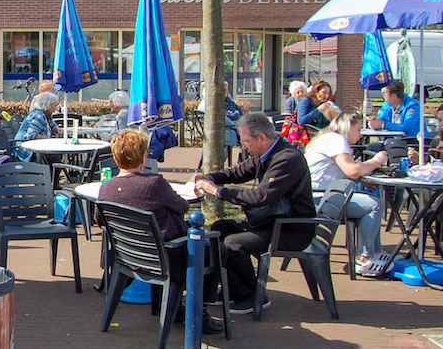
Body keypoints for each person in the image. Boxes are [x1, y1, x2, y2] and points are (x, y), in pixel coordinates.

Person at [96, 130, 223, 334]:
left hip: (128, 257)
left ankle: (180, 308)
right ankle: (199, 312)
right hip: (167, 258)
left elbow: (100, 219)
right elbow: (182, 207)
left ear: (115, 157)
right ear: (144, 156)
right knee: (214, 249)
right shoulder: (154, 184)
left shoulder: (106, 188)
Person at [194, 112, 316, 315]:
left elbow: (261, 197)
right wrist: (209, 177)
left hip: (291, 228)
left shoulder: (287, 159)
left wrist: (218, 191)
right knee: (220, 228)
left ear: (262, 138)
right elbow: (238, 172)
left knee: (234, 243)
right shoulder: (264, 154)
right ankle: (231, 289)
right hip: (272, 221)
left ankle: (251, 296)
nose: (244, 146)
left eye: (246, 141)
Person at [303, 111, 390, 276]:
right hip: (321, 198)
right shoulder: (337, 139)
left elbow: (337, 171)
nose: (360, 135)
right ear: (348, 127)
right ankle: (365, 258)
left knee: (370, 201)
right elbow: (352, 170)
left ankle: (376, 252)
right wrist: (377, 160)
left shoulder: (326, 137)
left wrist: (360, 180)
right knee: (374, 205)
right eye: (358, 130)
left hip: (316, 195)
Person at [13, 91, 60, 161]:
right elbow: (31, 135)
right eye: (54, 104)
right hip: (27, 151)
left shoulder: (45, 115)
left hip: (35, 148)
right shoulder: (38, 116)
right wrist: (51, 140)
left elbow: (53, 125)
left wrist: (60, 130)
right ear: (48, 104)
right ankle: (50, 171)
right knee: (55, 156)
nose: (56, 106)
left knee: (56, 155)